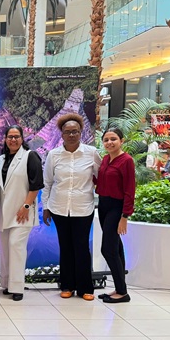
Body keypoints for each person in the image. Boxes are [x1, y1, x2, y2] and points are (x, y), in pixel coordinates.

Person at [41, 113, 101, 302]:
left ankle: (85, 287)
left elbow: (102, 177)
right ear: (62, 134)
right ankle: (67, 285)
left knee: (81, 247)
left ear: (81, 132)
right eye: (68, 132)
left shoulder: (91, 153)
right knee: (65, 247)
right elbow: (47, 183)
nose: (72, 135)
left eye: (75, 131)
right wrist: (45, 207)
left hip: (83, 208)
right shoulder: (54, 155)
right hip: (59, 208)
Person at [0, 125, 43, 301]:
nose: (13, 140)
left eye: (17, 137)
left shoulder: (30, 156)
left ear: (22, 139)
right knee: (5, 249)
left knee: (16, 246)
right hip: (3, 212)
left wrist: (26, 206)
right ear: (5, 139)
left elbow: (36, 184)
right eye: (10, 137)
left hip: (22, 212)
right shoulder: (0, 159)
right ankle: (7, 284)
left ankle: (17, 287)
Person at [96, 127, 135, 304]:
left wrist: (124, 216)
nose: (109, 142)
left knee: (108, 249)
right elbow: (101, 180)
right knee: (116, 248)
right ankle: (120, 289)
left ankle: (123, 292)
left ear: (121, 141)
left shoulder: (126, 161)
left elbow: (129, 190)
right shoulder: (105, 159)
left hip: (116, 207)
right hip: (103, 205)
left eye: (113, 139)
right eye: (106, 140)